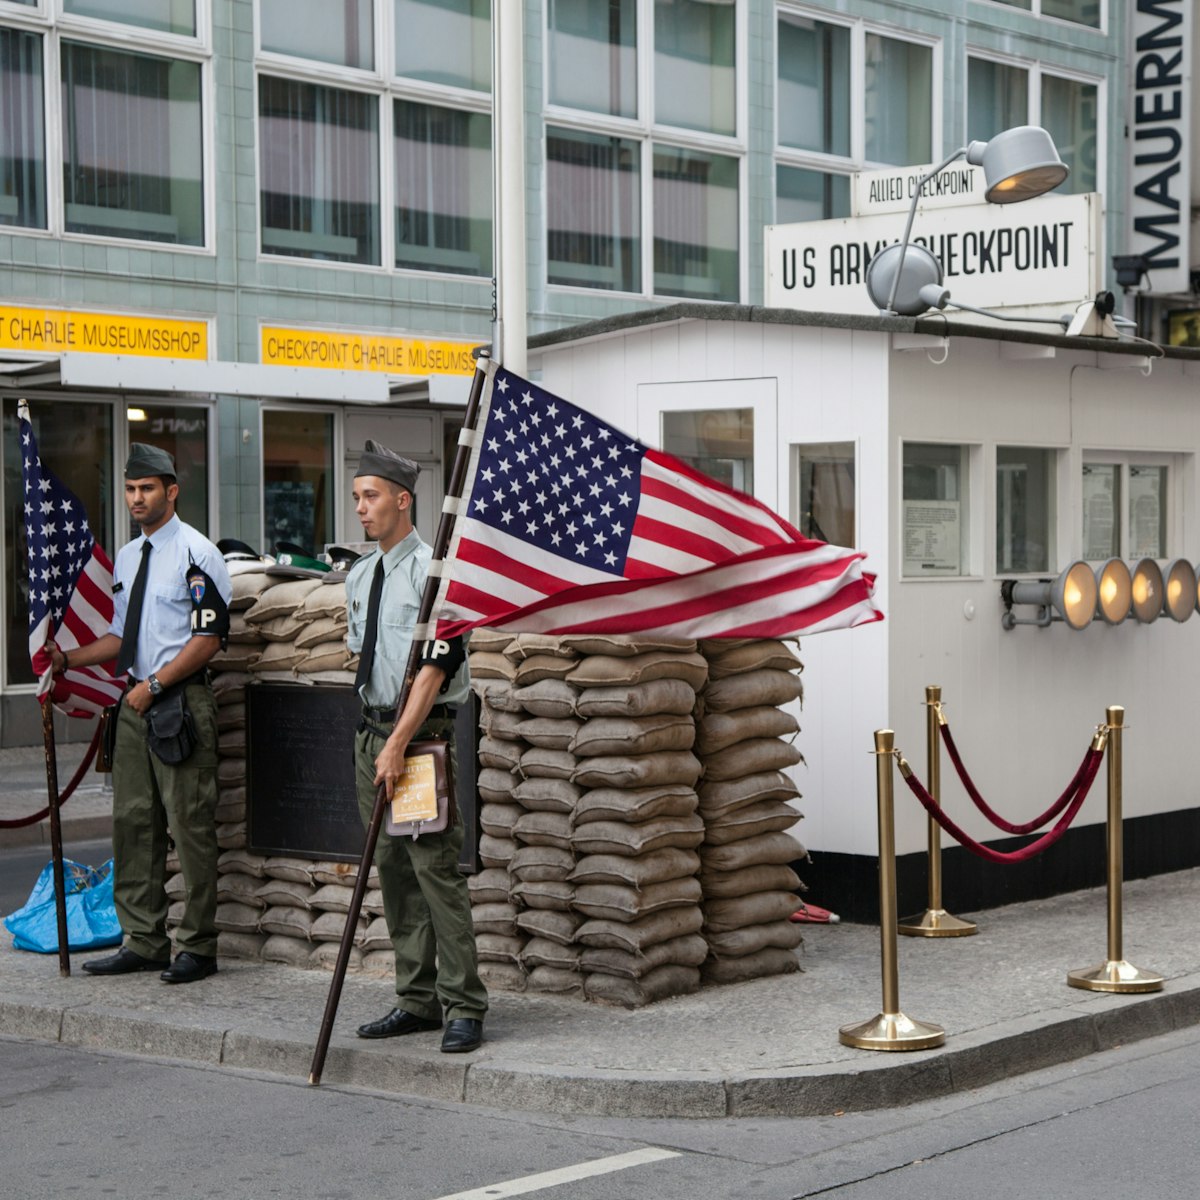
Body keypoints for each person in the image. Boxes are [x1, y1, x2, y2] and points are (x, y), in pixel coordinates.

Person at [48, 444, 232, 984]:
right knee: (133, 823)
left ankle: (197, 946)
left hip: (178, 701)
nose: (136, 498)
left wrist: (155, 685)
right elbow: (119, 636)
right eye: (130, 489)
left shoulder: (197, 554)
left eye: (147, 488)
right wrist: (67, 659)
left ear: (171, 491)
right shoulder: (128, 558)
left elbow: (209, 639)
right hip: (133, 703)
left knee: (188, 824)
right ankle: (144, 939)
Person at [346, 440, 487, 1053]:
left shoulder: (436, 576)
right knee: (395, 874)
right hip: (371, 737)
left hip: (418, 743)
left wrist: (399, 742)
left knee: (435, 874)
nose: (360, 508)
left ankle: (463, 1005)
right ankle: (417, 998)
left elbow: (433, 670)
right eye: (356, 497)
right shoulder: (358, 574)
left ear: (403, 500)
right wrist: (378, 741)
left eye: (370, 496)